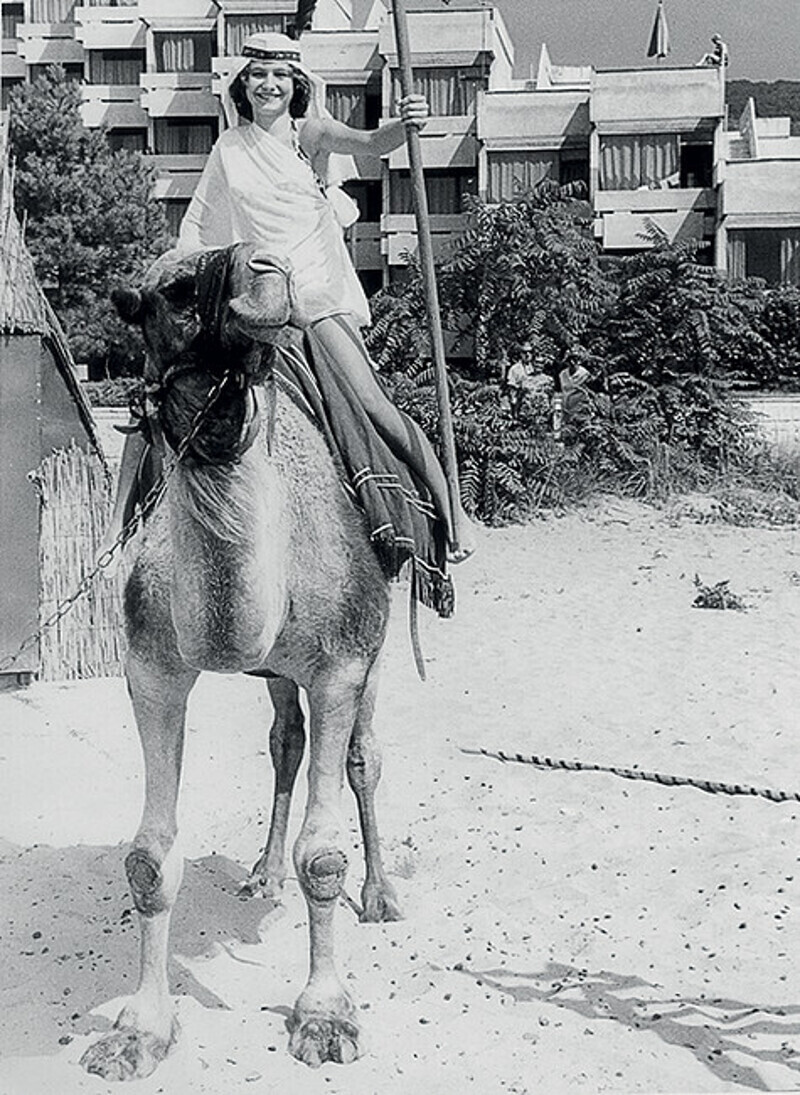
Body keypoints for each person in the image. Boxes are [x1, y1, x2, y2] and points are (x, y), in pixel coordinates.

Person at [101, 31, 474, 565]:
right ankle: (121, 525)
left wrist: (405, 123)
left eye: (279, 75)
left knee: (371, 403)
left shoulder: (310, 134)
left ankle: (452, 509)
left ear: (296, 84)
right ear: (243, 84)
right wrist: (177, 275)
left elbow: (371, 143)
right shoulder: (229, 147)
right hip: (252, 289)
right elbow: (200, 222)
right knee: (157, 384)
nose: (268, 84)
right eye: (258, 74)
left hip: (314, 295)